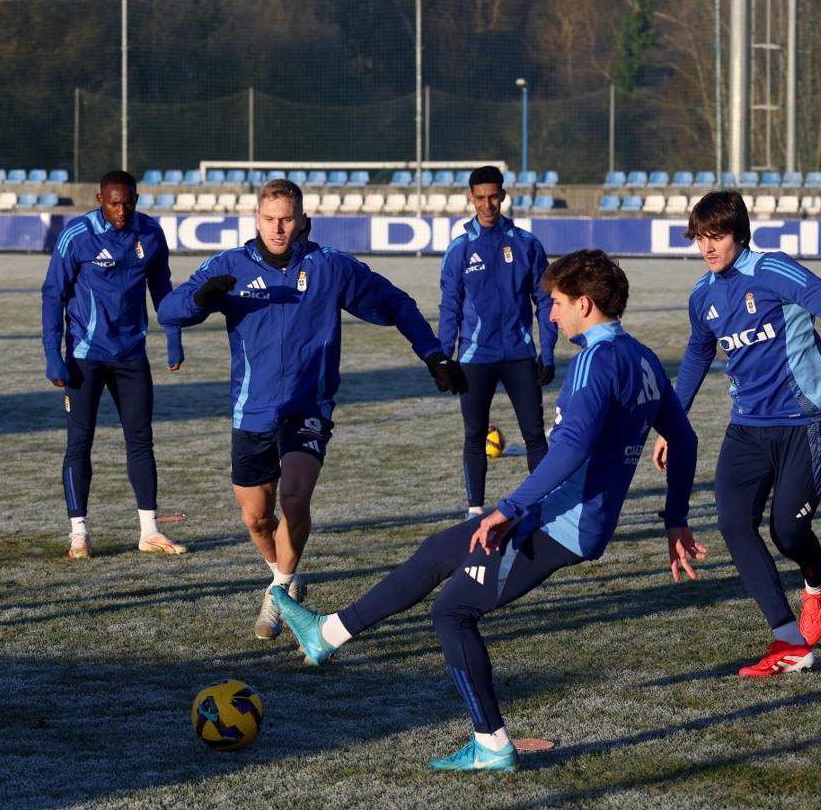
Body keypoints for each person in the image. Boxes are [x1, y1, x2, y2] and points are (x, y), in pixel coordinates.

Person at [273, 249, 705, 772]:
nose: (551, 314)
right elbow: (683, 438)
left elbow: (570, 450)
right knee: (438, 550)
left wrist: (507, 508)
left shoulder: (597, 360)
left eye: (557, 303)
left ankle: (493, 744)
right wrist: (675, 518)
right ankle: (327, 634)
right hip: (559, 516)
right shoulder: (642, 356)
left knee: (452, 612)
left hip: (557, 524)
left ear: (585, 304)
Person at [158, 178, 468, 640]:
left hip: (309, 406)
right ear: (256, 219)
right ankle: (283, 573)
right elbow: (168, 311)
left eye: (287, 219)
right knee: (256, 517)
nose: (278, 228)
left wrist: (433, 353)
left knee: (295, 497)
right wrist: (198, 300)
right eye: (269, 220)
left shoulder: (330, 268)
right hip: (252, 411)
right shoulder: (229, 266)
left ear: (302, 220)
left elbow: (397, 304)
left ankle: (278, 593)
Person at [652, 190, 821, 677]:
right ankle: (789, 640)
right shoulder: (702, 296)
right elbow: (698, 357)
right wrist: (671, 422)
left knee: (788, 531)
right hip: (747, 428)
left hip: (805, 421)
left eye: (717, 236)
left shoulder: (772, 270)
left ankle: (816, 582)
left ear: (740, 234)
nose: (707, 247)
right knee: (732, 523)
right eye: (700, 237)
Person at [41, 169, 186, 560]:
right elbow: (53, 294)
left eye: (129, 202)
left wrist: (172, 335)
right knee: (79, 442)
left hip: (132, 356)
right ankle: (79, 534)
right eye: (114, 203)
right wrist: (53, 355)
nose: (122, 211)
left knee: (141, 441)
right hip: (85, 358)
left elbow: (162, 288)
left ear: (137, 199)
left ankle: (150, 531)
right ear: (99, 199)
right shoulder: (77, 235)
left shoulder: (150, 234)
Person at [439, 165, 557, 516]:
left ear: (503, 196)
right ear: (471, 199)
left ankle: (543, 507)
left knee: (535, 435)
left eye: (493, 197)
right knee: (474, 435)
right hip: (475, 359)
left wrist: (547, 352)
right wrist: (445, 358)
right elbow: (450, 307)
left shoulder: (525, 244)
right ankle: (474, 510)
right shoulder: (459, 250)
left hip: (520, 356)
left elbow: (546, 300)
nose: (487, 204)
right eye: (480, 198)